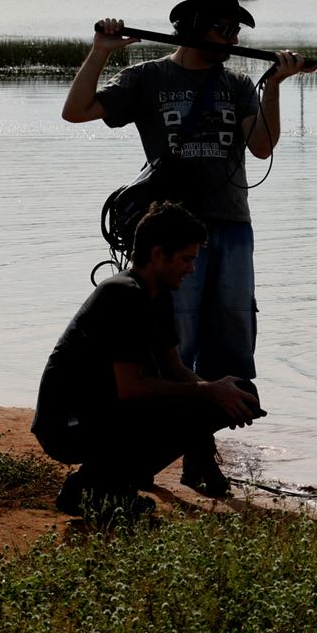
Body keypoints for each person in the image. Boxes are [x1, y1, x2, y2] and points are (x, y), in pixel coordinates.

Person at [61, 0, 307, 493]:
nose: (232, 36)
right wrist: (99, 53)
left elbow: (262, 147)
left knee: (233, 341)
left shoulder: (238, 85)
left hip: (232, 227)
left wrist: (275, 86)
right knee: (176, 345)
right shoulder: (147, 78)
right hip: (169, 235)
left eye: (237, 29)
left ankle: (200, 456)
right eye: (224, 27)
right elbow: (76, 111)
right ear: (193, 26)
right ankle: (167, 455)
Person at [31, 202, 265, 517]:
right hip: (66, 425)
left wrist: (220, 390)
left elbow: (174, 368)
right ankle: (92, 489)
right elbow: (131, 388)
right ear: (157, 254)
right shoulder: (123, 294)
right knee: (196, 402)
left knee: (243, 391)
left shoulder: (159, 294)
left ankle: (113, 483)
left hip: (104, 412)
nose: (192, 269)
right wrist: (207, 392)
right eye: (186, 259)